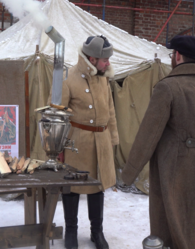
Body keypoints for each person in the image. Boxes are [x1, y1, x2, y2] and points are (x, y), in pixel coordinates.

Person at [121, 35, 195, 249]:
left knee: (174, 224)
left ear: (178, 56)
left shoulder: (168, 87)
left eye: (172, 54)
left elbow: (148, 135)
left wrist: (129, 173)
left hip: (175, 168)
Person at [56, 35, 119, 249]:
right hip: (77, 143)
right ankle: (71, 231)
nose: (108, 63)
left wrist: (112, 140)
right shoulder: (69, 78)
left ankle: (96, 232)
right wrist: (58, 148)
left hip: (101, 142)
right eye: (104, 60)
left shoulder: (104, 78)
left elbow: (110, 111)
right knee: (72, 188)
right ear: (92, 59)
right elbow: (57, 116)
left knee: (97, 187)